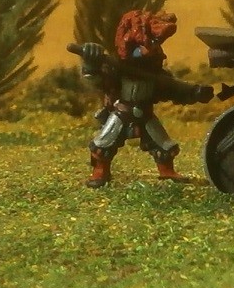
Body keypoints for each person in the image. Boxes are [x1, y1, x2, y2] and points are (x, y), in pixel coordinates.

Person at [78, 10, 213, 188]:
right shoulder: (116, 69)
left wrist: (194, 93)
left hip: (145, 114)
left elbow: (172, 89)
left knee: (163, 145)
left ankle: (167, 171)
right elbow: (97, 80)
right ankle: (100, 172)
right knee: (103, 143)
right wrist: (90, 64)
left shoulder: (156, 75)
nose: (146, 50)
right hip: (121, 112)